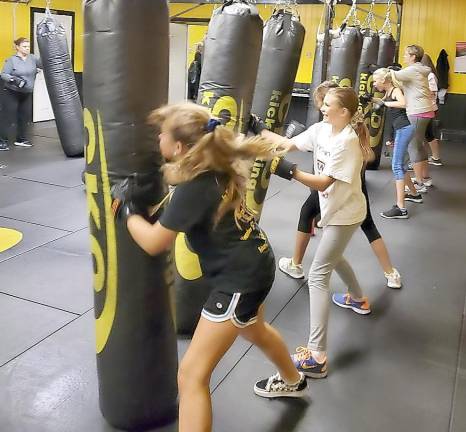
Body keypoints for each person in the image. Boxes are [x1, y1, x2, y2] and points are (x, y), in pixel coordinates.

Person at [120, 103, 307, 432]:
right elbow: (178, 189)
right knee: (254, 329)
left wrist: (127, 211)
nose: (158, 136)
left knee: (191, 376)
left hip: (238, 280)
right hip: (258, 261)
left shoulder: (195, 188)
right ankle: (293, 379)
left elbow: (153, 241)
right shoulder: (214, 167)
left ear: (178, 147)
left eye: (162, 133)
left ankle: (292, 378)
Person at [261, 87, 374, 378]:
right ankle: (358, 298)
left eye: (329, 105)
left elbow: (323, 183)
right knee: (332, 257)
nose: (322, 107)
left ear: (345, 113)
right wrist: (257, 129)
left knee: (318, 276)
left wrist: (289, 172)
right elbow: (287, 144)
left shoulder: (347, 142)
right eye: (324, 104)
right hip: (333, 210)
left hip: (345, 214)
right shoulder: (322, 129)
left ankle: (317, 355)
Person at [276, 81, 402, 288]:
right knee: (317, 215)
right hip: (350, 186)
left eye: (324, 104)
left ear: (341, 110)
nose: (321, 109)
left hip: (342, 188)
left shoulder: (344, 136)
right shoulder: (339, 128)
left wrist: (292, 172)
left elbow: (364, 157)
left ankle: (295, 264)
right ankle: (390, 273)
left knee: (311, 214)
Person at [372, 68, 421, 218]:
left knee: (396, 166)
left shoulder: (395, 90)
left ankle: (401, 209)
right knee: (401, 165)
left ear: (384, 80)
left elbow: (403, 103)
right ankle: (414, 194)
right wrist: (371, 100)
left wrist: (384, 104)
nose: (374, 84)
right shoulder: (388, 92)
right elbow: (385, 102)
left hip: (404, 129)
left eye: (375, 81)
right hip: (401, 128)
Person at [390, 44, 436, 192]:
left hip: (417, 112)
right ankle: (424, 178)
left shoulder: (412, 70)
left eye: (406, 54)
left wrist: (378, 70)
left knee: (413, 146)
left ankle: (420, 184)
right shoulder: (419, 70)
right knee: (419, 145)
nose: (404, 56)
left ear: (413, 56)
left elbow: (391, 75)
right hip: (424, 111)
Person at [0, 38, 42, 151]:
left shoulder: (32, 58)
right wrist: (14, 79)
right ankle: (2, 141)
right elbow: (3, 74)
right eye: (24, 46)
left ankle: (21, 139)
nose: (27, 49)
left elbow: (43, 65)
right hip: (11, 92)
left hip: (26, 93)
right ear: (17, 47)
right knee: (7, 118)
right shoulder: (12, 60)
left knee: (24, 117)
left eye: (28, 46)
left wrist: (45, 52)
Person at [421, 53, 443, 166]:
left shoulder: (430, 75)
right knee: (428, 134)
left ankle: (429, 159)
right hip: (426, 107)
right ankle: (434, 158)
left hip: (428, 108)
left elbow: (432, 92)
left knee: (424, 135)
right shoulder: (427, 75)